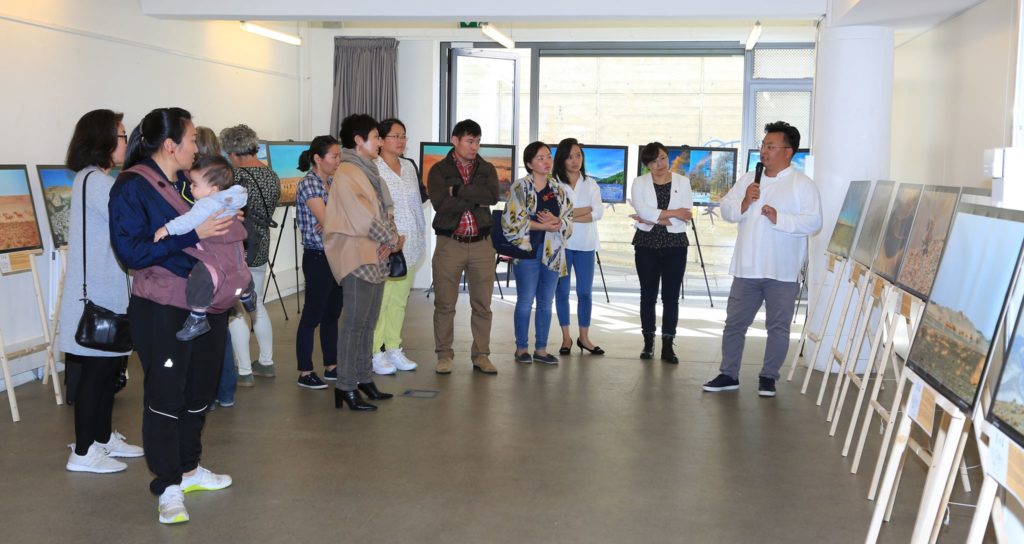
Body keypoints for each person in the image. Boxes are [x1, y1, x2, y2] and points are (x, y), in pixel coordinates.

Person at [109, 107, 237, 524]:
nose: (197, 147)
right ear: (170, 145)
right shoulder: (132, 187)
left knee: (199, 391)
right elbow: (131, 252)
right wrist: (195, 234)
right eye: (192, 139)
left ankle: (189, 468)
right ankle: (167, 486)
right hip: (163, 307)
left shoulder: (190, 183)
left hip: (208, 303)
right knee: (166, 396)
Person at [702, 121, 822, 397]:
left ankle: (768, 377)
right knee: (734, 324)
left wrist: (779, 217)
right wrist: (745, 202)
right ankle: (728, 374)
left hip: (782, 270)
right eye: (763, 146)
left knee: (778, 327)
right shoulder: (749, 178)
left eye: (770, 146)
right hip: (747, 267)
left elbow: (814, 222)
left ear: (788, 152)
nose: (764, 151)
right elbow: (726, 209)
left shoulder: (802, 184)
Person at [58, 109, 143, 474]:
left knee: (107, 372)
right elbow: (133, 221)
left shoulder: (94, 179)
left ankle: (103, 437)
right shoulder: (96, 182)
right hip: (97, 297)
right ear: (104, 140)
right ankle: (82, 452)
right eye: (122, 135)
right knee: (96, 376)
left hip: (105, 293)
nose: (126, 141)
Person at [322, 113, 399, 411]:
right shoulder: (347, 172)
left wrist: (390, 240)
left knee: (368, 323)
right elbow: (362, 217)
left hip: (375, 254)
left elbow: (384, 211)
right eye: (376, 137)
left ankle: (364, 378)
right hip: (356, 256)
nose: (380, 143)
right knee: (354, 324)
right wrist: (391, 240)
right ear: (358, 140)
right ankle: (345, 385)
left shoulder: (369, 170)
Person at [153, 155, 255, 341]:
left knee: (200, 278)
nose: (190, 187)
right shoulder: (231, 198)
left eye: (195, 184)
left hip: (216, 250)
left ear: (213, 189)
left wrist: (167, 228)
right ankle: (247, 295)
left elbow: (188, 220)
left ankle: (198, 318)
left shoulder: (207, 203)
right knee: (239, 269)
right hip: (234, 248)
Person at [427, 119, 500, 375]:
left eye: (478, 141)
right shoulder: (439, 170)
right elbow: (440, 204)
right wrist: (474, 198)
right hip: (450, 244)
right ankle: (444, 355)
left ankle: (481, 355)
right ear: (455, 140)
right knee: (445, 304)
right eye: (470, 141)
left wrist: (457, 190)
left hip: (482, 244)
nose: (474, 146)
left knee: (482, 305)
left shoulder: (487, 168)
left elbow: (492, 196)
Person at [502, 141, 573, 365]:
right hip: (527, 251)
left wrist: (558, 222)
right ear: (529, 163)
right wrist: (544, 226)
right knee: (525, 300)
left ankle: (541, 349)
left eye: (548, 157)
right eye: (540, 158)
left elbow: (569, 220)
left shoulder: (558, 189)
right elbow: (512, 221)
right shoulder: (520, 187)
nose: (546, 162)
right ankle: (521, 348)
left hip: (553, 252)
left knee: (546, 302)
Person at [221, 124, 281, 385]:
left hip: (240, 247)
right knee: (257, 304)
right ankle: (266, 362)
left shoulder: (236, 177)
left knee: (235, 308)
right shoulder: (271, 175)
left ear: (235, 153)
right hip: (261, 244)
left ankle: (244, 370)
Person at [370, 118, 426, 375]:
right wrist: (388, 238)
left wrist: (419, 234)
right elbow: (372, 209)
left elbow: (416, 204)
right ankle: (375, 352)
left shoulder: (409, 166)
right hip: (385, 245)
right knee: (381, 301)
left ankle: (393, 347)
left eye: (404, 136)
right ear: (381, 140)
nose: (401, 141)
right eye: (395, 136)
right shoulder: (373, 168)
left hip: (411, 244)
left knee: (400, 301)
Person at [630, 142, 693, 364]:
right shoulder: (639, 182)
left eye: (663, 158)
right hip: (646, 243)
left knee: (671, 297)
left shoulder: (683, 182)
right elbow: (643, 210)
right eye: (654, 161)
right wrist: (672, 214)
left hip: (675, 244)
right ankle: (648, 342)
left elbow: (686, 215)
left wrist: (652, 218)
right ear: (647, 164)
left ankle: (668, 344)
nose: (660, 164)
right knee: (648, 295)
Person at [294, 136, 344, 390]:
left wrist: (332, 220)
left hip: (336, 254)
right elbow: (331, 221)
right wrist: (332, 220)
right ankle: (305, 371)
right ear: (317, 158)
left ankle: (331, 365)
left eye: (339, 155)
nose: (338, 160)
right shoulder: (309, 184)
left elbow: (342, 217)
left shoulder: (333, 182)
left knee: (332, 313)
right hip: (317, 256)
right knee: (312, 314)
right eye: (334, 156)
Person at [552, 138, 604, 356]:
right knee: (562, 292)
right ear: (562, 159)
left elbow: (598, 212)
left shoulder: (591, 183)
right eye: (570, 156)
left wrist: (567, 216)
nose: (575, 160)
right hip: (562, 245)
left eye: (578, 155)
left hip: (586, 245)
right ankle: (566, 338)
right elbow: (555, 213)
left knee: (585, 293)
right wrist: (584, 211)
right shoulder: (554, 184)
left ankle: (584, 337)